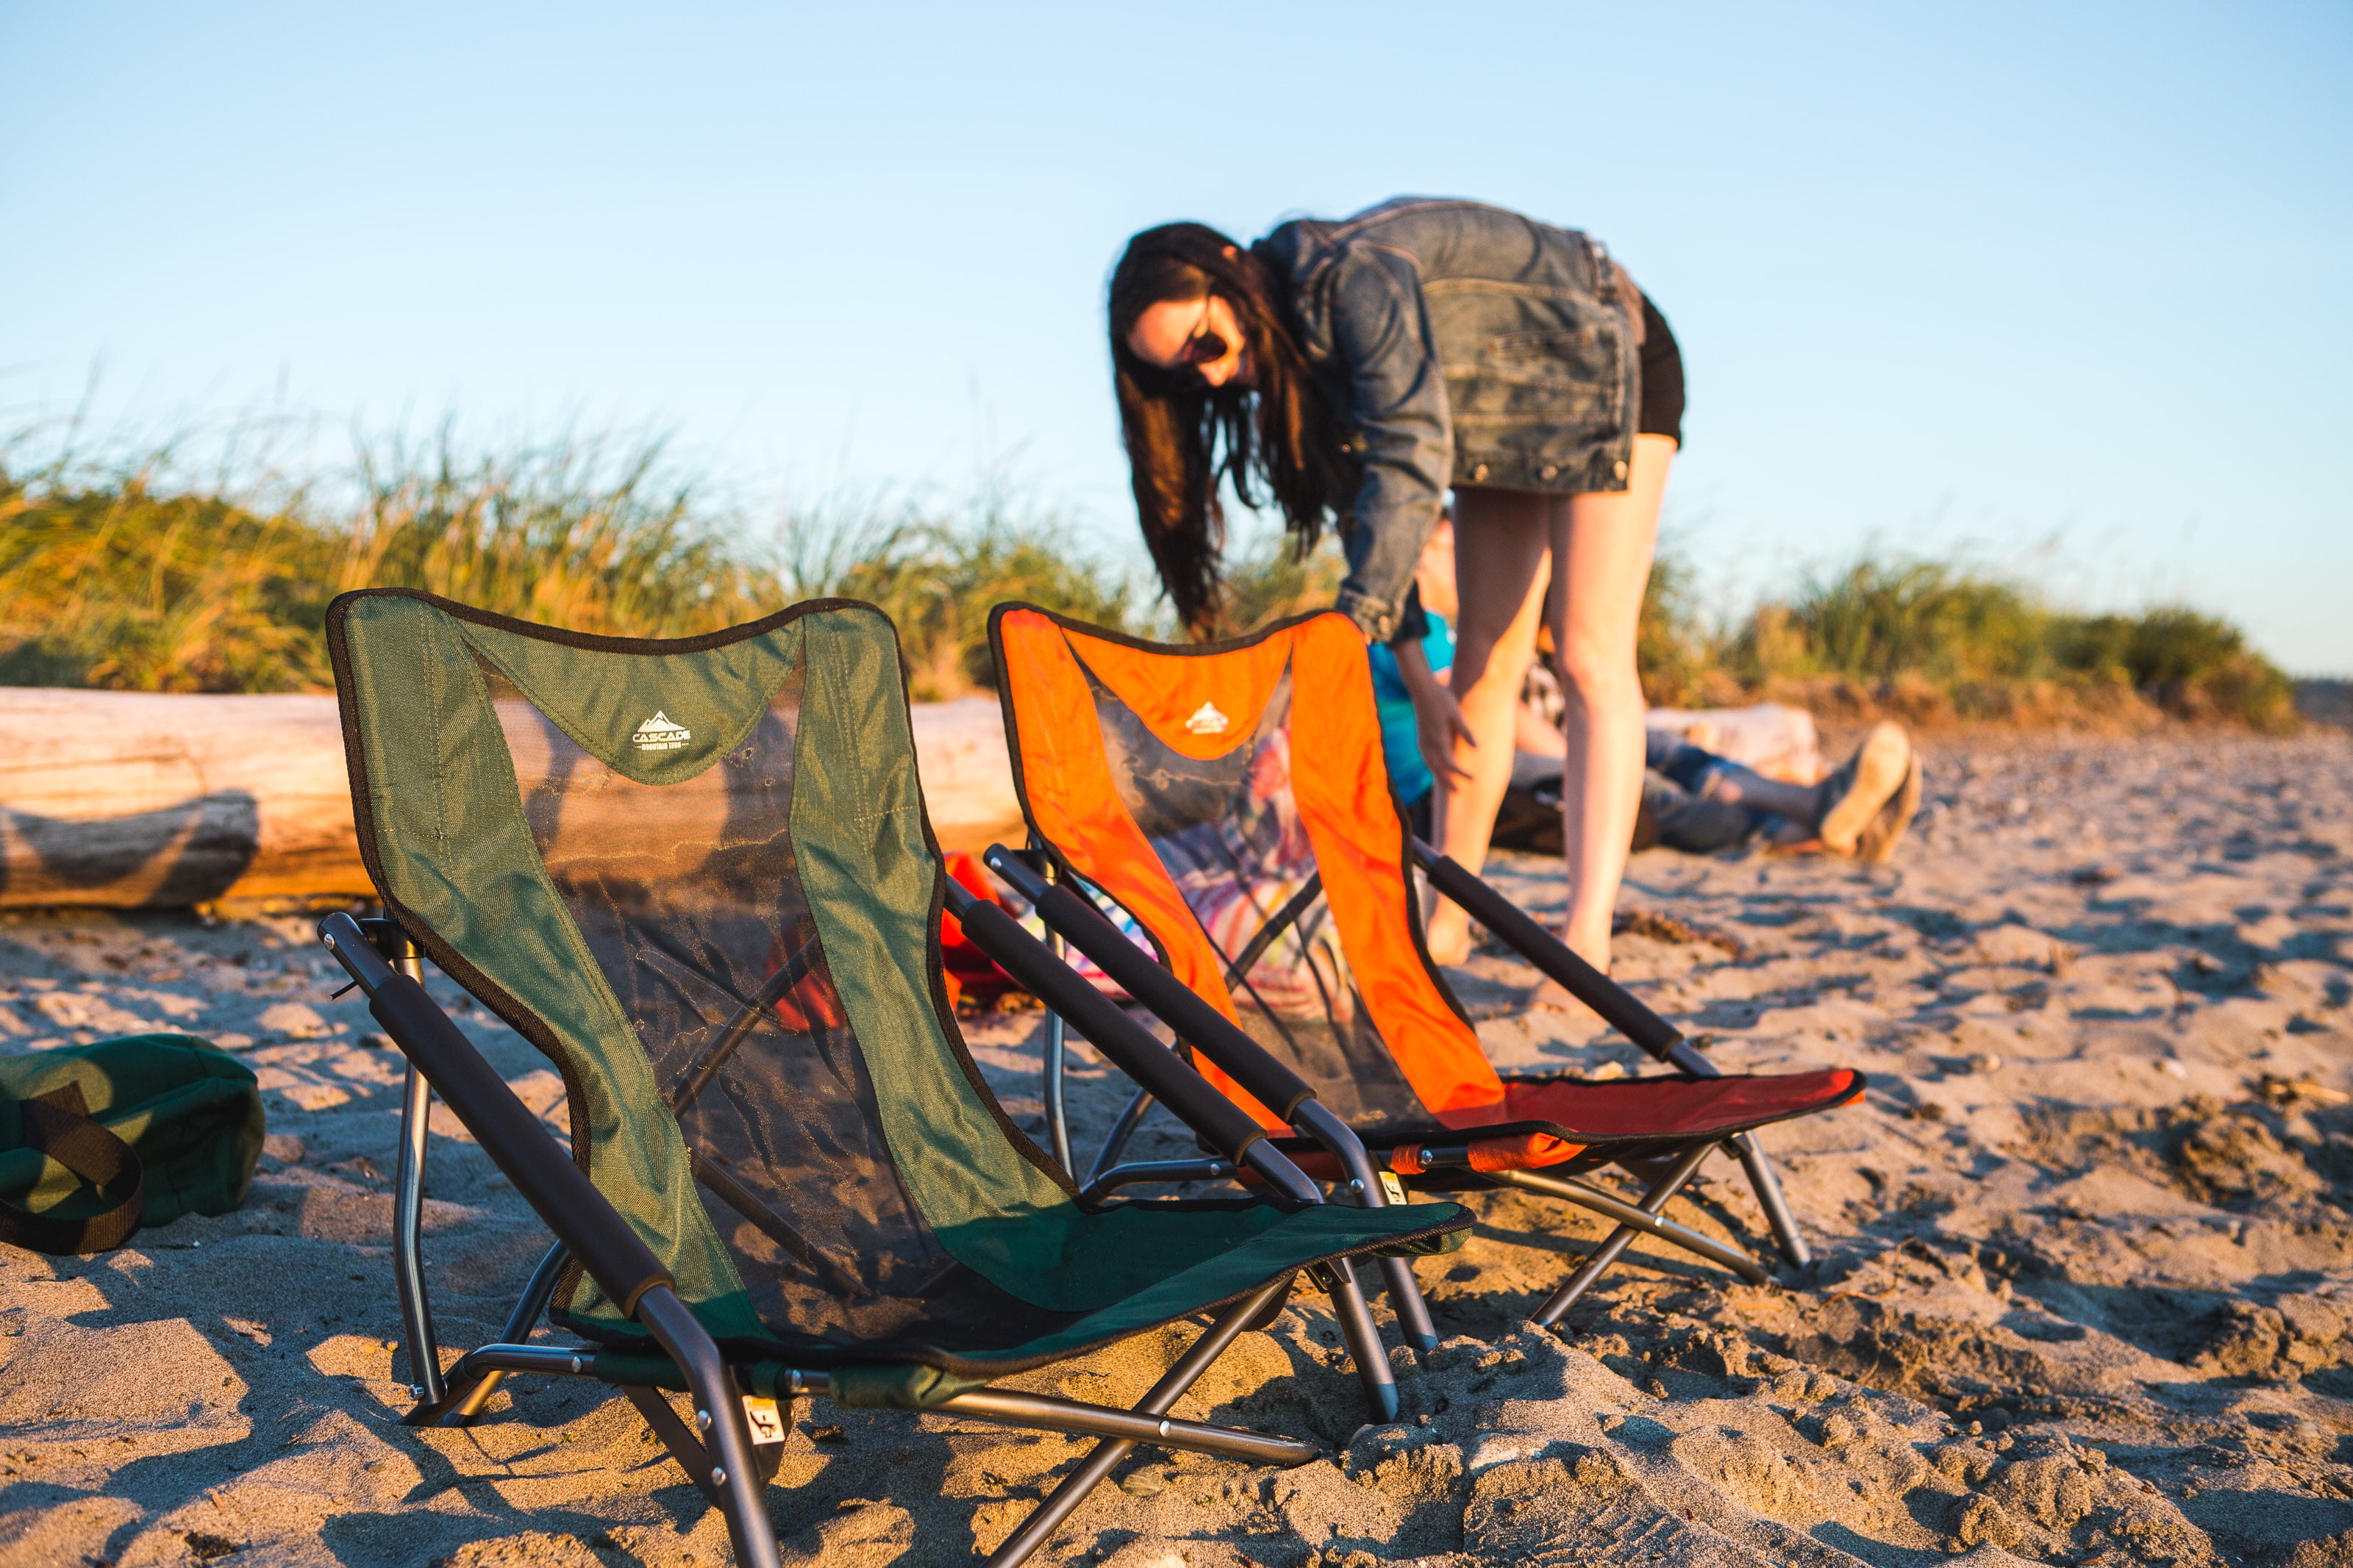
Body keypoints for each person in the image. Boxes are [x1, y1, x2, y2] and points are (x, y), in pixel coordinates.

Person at [1109, 199, 1684, 994]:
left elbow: (1411, 461)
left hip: (1602, 348)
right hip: (1495, 409)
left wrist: (1346, 637)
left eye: (1204, 344)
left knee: (1587, 649)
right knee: (1481, 655)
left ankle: (1585, 935)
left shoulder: (1353, 280)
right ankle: (1450, 919)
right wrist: (1417, 676)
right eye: (1185, 373)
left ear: (1233, 276)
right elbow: (1364, 507)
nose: (1208, 374)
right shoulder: (1294, 357)